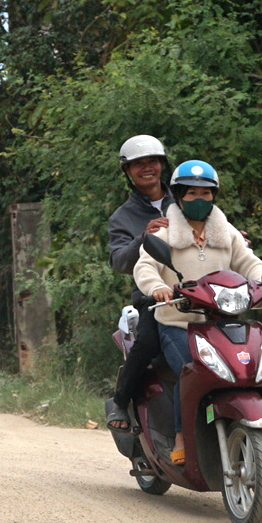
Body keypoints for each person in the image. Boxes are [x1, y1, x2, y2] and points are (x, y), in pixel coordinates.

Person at [132, 160, 262, 466]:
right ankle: (180, 436)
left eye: (205, 193)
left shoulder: (227, 233)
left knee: (246, 365)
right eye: (191, 194)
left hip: (221, 323)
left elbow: (249, 262)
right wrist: (157, 287)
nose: (199, 199)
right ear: (179, 197)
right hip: (178, 323)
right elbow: (145, 266)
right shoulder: (165, 234)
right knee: (191, 369)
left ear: (214, 195)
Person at [104, 135, 174, 432]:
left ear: (162, 164)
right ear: (128, 171)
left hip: (200, 293)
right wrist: (143, 237)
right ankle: (120, 400)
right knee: (147, 342)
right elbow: (119, 261)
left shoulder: (187, 199)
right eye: (138, 164)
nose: (147, 168)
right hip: (153, 297)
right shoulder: (123, 217)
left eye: (152, 161)